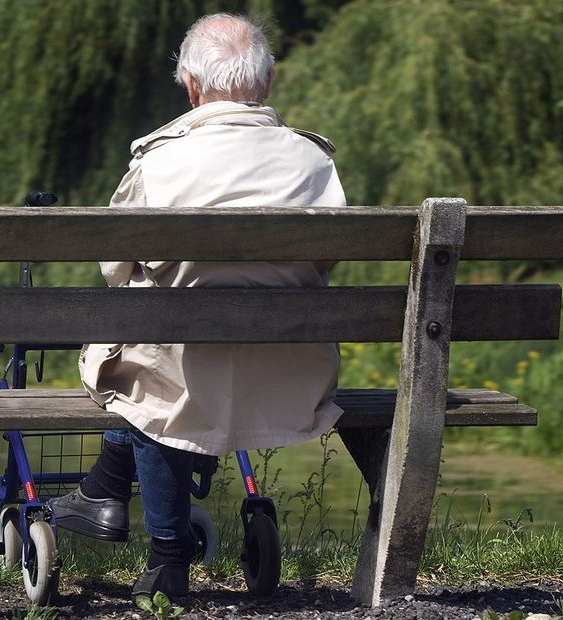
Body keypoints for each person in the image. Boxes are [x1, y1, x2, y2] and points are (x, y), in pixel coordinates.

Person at [49, 13, 345, 601]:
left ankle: (164, 557)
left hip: (178, 374)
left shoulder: (158, 161)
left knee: (147, 381)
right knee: (159, 370)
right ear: (268, 82)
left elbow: (114, 270)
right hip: (288, 377)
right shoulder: (315, 163)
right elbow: (323, 266)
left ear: (190, 85)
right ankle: (105, 490)